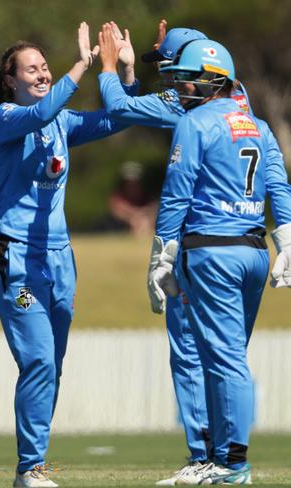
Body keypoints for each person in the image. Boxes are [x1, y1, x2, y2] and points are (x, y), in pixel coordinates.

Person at [98, 21, 264, 485]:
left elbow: (119, 109)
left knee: (195, 355)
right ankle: (222, 456)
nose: (167, 75)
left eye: (171, 64)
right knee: (222, 356)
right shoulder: (239, 100)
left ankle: (211, 457)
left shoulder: (190, 106)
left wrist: (112, 68)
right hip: (243, 241)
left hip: (202, 248)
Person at [0, 22, 136, 488]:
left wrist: (125, 74)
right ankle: (30, 468)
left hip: (60, 258)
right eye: (32, 69)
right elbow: (41, 113)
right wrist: (84, 65)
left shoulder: (61, 122)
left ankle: (35, 463)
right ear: (10, 80)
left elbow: (119, 119)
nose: (42, 74)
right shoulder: (5, 119)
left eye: (45, 67)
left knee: (54, 364)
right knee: (40, 360)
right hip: (14, 256)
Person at [148, 38, 291, 485]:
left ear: (214, 82)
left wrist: (161, 256)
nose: (181, 88)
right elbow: (278, 184)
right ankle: (222, 459)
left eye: (188, 79)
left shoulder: (195, 124)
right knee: (227, 357)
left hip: (212, 252)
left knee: (223, 360)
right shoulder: (259, 125)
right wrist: (286, 239)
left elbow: (177, 193)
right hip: (253, 252)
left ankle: (231, 465)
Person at [108, 161, 157, 235]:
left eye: (134, 182)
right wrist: (134, 216)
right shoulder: (118, 195)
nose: (132, 186)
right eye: (129, 182)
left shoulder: (147, 193)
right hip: (123, 224)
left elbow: (154, 207)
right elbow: (117, 209)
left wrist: (144, 216)